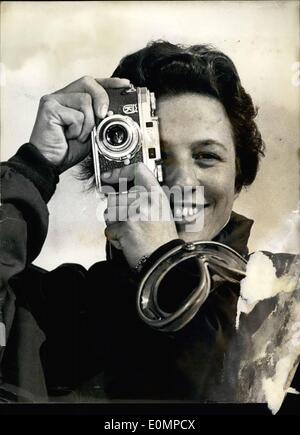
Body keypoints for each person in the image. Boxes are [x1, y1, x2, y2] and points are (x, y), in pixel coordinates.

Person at [0, 41, 299, 407]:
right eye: (157, 155)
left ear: (239, 176)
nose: (183, 183)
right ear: (110, 172)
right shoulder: (62, 308)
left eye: (207, 156)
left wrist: (165, 267)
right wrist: (34, 168)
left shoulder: (286, 298)